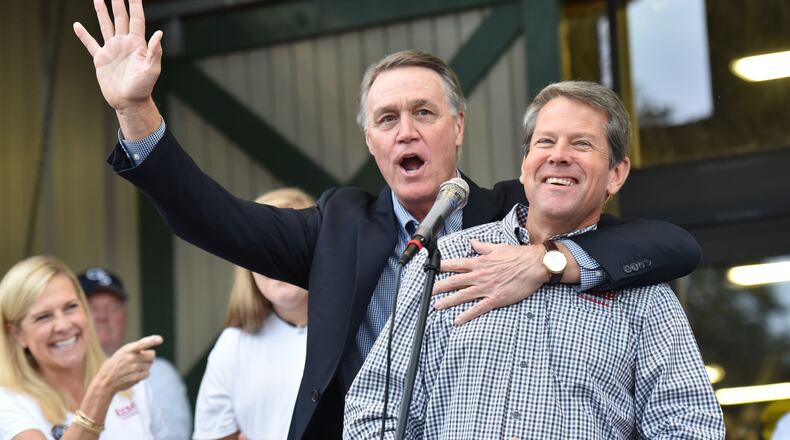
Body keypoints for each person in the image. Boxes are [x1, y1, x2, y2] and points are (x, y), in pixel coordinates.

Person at [73, 2, 702, 438]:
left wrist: (546, 259)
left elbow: (668, 244)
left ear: (458, 127)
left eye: (424, 113)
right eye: (387, 119)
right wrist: (137, 111)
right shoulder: (337, 227)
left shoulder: (514, 213)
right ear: (371, 142)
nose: (406, 131)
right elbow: (212, 219)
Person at [345, 81, 725, 439]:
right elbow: (374, 411)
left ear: (616, 174)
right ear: (525, 164)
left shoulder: (645, 297)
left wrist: (547, 262)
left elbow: (691, 427)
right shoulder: (445, 260)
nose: (558, 156)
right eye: (545, 141)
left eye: (581, 144)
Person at [0, 255, 169, 439]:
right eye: (43, 316)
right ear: (16, 333)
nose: (63, 325)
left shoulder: (132, 386)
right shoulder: (8, 401)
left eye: (70, 307)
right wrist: (103, 389)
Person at [193, 188, 314, 440]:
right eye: (265, 246)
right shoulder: (233, 345)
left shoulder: (362, 330)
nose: (278, 258)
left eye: (291, 242)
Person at [77, 267, 192, 440]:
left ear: (125, 317)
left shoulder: (155, 373)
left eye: (112, 307)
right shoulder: (60, 379)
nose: (102, 316)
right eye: (91, 307)